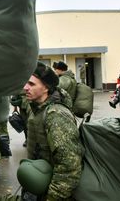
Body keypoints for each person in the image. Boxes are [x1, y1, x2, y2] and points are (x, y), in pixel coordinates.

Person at [24, 62, 83, 201]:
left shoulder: (55, 115)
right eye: (26, 83)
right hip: (39, 184)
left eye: (31, 84)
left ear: (46, 88)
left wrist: (52, 197)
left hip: (51, 190)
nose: (25, 88)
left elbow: (69, 168)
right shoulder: (37, 108)